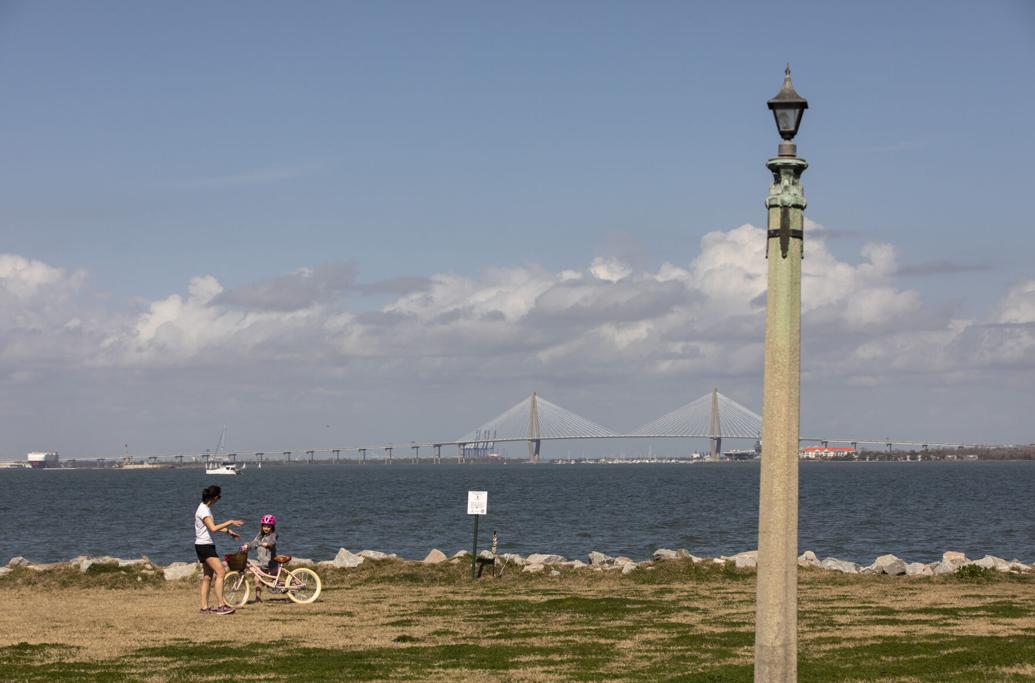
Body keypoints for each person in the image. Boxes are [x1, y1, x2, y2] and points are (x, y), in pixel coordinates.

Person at [194, 484, 244, 615]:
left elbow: (211, 526)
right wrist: (230, 521)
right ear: (214, 497)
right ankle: (221, 605)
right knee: (221, 572)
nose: (219, 500)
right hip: (205, 546)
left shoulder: (203, 508)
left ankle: (204, 608)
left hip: (201, 545)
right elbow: (213, 529)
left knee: (207, 577)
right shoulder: (204, 510)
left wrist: (228, 531)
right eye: (219, 497)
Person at [242, 514, 279, 602]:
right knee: (257, 580)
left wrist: (267, 544)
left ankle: (292, 587)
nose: (266, 528)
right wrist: (247, 546)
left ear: (272, 527)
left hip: (271, 564)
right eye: (264, 526)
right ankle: (258, 598)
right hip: (261, 564)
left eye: (268, 527)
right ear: (262, 526)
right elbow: (254, 543)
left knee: (274, 583)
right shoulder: (260, 535)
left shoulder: (273, 535)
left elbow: (272, 542)